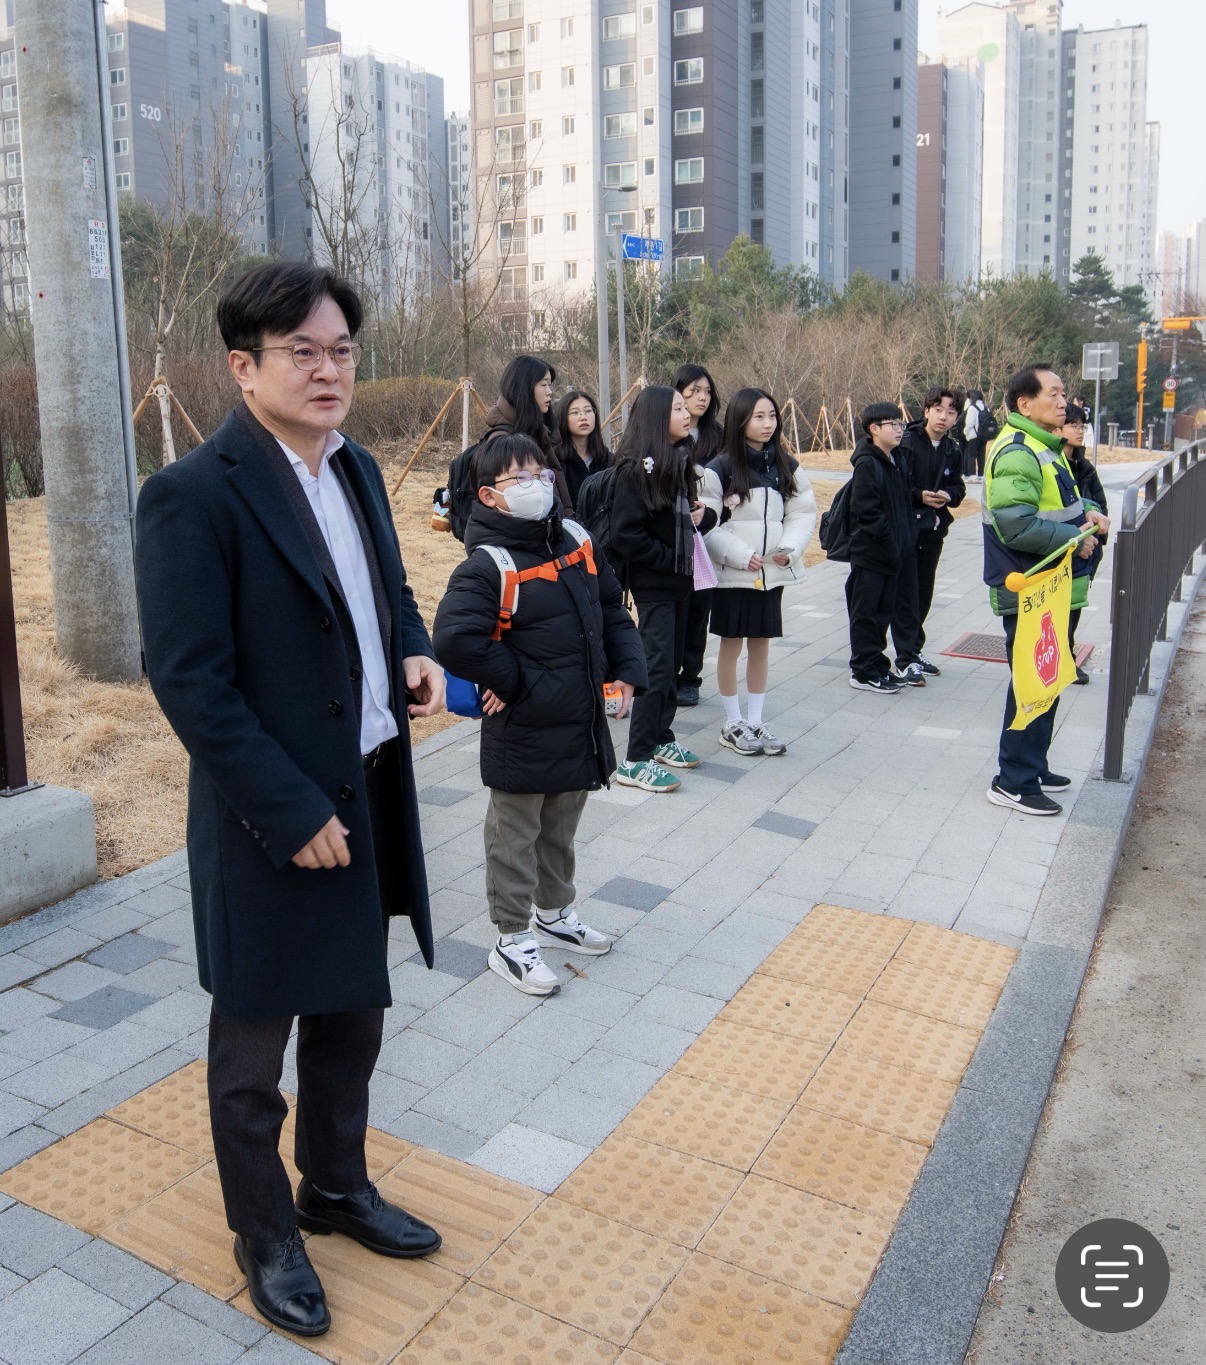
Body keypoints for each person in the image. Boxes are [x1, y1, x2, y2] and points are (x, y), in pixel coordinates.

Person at [135, 262, 446, 1338]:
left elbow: (388, 590)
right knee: (252, 1053)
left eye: (341, 351)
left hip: (368, 784)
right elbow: (188, 678)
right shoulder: (193, 494)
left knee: (354, 1012)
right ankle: (265, 1231)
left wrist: (411, 650)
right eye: (301, 352)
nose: (327, 371)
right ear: (243, 365)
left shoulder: (351, 467)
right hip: (271, 818)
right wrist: (289, 808)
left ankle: (335, 1185)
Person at [432, 433, 645, 996]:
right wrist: (512, 681)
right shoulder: (488, 564)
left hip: (578, 720)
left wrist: (624, 671)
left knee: (561, 826)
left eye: (543, 475)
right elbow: (453, 638)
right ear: (490, 495)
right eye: (519, 479)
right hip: (523, 727)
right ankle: (511, 938)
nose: (538, 486)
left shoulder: (576, 537)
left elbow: (610, 609)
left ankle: (555, 914)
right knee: (515, 833)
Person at [982, 364, 1109, 815]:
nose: (1064, 402)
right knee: (1031, 684)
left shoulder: (1045, 446)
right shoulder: (1018, 451)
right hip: (1028, 585)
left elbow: (1062, 504)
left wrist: (1090, 512)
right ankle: (1012, 779)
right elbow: (1016, 526)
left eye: (1064, 394)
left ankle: (1033, 765)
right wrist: (1079, 540)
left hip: (1052, 585)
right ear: (1024, 403)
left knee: (1048, 679)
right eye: (1054, 394)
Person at [698, 387, 817, 755]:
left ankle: (755, 720)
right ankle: (732, 723)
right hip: (734, 575)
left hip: (770, 576)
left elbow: (802, 513)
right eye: (759, 417)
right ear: (740, 421)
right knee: (731, 646)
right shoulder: (719, 469)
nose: (768, 424)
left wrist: (792, 549)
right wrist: (739, 554)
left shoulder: (786, 465)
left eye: (772, 416)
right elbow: (707, 523)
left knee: (761, 646)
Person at [610, 385, 714, 791]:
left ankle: (660, 738)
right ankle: (634, 760)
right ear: (656, 416)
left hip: (681, 579)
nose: (686, 412)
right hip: (655, 582)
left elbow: (674, 521)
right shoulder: (636, 468)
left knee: (671, 664)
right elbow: (626, 534)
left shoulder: (678, 461)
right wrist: (669, 556)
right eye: (676, 408)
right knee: (655, 666)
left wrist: (697, 516)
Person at [890, 387, 966, 686]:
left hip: (933, 529)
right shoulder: (906, 443)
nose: (943, 416)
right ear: (926, 411)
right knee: (906, 595)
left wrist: (949, 494)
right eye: (938, 409)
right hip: (906, 528)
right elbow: (895, 486)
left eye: (950, 412)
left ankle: (914, 650)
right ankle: (904, 659)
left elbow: (959, 487)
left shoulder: (953, 449)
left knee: (923, 594)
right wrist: (920, 496)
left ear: (957, 417)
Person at [845, 404, 916, 694]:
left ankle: (877, 665)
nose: (900, 430)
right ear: (874, 429)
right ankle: (862, 671)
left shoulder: (895, 459)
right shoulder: (867, 463)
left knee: (883, 613)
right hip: (871, 553)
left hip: (893, 553)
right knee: (866, 613)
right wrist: (890, 542)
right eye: (893, 424)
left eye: (901, 424)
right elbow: (866, 511)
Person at [672, 364, 724, 708]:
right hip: (668, 538)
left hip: (706, 538)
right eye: (693, 391)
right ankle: (664, 674)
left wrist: (707, 513)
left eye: (706, 391)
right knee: (669, 611)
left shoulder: (718, 437)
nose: (701, 398)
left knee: (697, 610)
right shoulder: (661, 433)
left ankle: (690, 678)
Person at [483, 354, 573, 514]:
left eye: (550, 385)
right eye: (544, 385)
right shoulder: (503, 439)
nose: (550, 392)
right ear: (524, 388)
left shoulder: (541, 430)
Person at [1061, 402, 1109, 683]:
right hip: (1060, 548)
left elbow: (1100, 507)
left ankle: (1067, 658)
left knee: (1074, 606)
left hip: (1085, 550)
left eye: (1082, 425)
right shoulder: (1051, 462)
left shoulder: (1084, 466)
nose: (1080, 431)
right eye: (1073, 425)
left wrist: (1092, 534)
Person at [555, 389, 611, 512]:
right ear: (563, 418)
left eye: (588, 411)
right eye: (575, 413)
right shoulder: (556, 461)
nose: (583, 417)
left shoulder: (608, 459)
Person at [962, 389, 996, 482]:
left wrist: (966, 432)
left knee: (971, 455)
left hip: (974, 435)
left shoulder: (972, 408)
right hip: (984, 435)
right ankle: (981, 475)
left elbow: (969, 423)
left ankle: (972, 475)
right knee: (981, 454)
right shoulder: (986, 407)